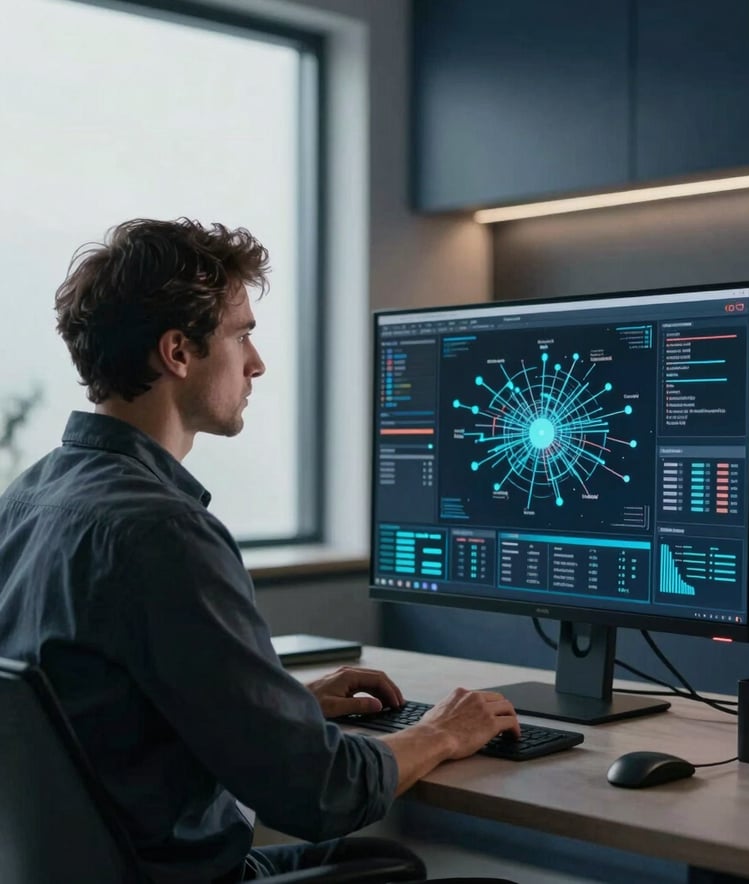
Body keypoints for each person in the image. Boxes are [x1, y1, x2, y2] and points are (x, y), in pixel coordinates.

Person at [0, 218, 519, 884]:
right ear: (178, 353)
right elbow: (320, 793)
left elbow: (104, 704)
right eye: (241, 333)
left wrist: (281, 706)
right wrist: (444, 731)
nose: (257, 362)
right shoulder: (163, 532)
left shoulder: (27, 498)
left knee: (383, 862)